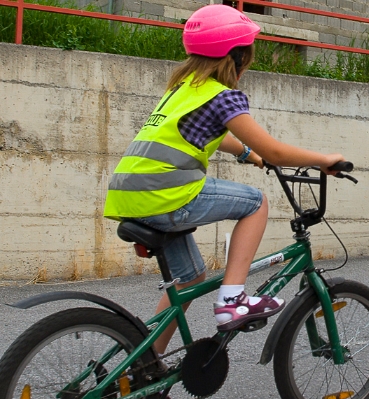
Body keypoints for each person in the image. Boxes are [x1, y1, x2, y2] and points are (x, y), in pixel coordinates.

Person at [104, 4, 345, 352]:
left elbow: (207, 133)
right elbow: (276, 152)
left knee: (189, 279)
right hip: (166, 197)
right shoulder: (223, 97)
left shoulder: (184, 88)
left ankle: (146, 366)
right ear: (236, 57)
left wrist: (247, 154)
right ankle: (232, 300)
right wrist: (324, 160)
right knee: (256, 203)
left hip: (132, 197)